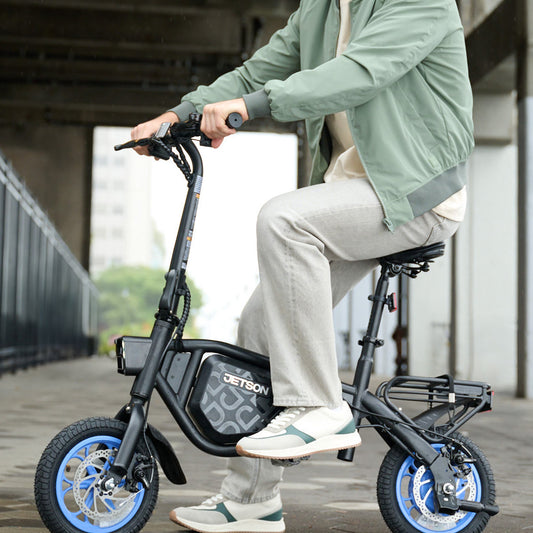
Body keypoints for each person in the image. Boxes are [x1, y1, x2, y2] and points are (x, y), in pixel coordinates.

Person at [131, 0, 473, 531]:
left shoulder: (421, 2)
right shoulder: (319, 10)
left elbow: (358, 74)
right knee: (260, 324)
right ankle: (251, 502)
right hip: (355, 193)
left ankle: (319, 406)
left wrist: (249, 107)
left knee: (285, 220)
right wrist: (183, 113)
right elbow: (255, 71)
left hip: (416, 196)